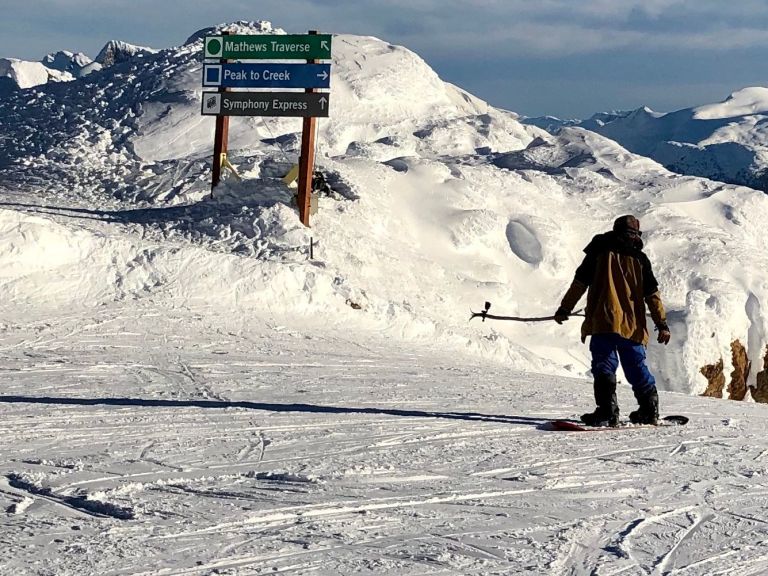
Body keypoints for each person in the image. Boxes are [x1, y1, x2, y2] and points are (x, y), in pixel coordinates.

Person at [554, 215, 671, 426]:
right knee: (636, 366)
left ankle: (607, 411)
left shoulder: (598, 252)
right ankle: (649, 410)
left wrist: (565, 308)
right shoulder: (640, 259)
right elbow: (652, 295)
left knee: (604, 365)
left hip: (604, 320)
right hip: (632, 325)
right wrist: (661, 324)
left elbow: (579, 283)